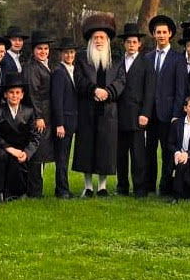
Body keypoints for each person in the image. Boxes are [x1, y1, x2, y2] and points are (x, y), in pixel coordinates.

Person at [73, 14, 124, 197]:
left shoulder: (117, 58)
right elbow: (78, 80)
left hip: (108, 111)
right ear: (91, 40)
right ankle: (87, 186)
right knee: (87, 148)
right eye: (96, 38)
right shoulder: (82, 58)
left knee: (106, 149)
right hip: (87, 109)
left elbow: (121, 81)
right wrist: (94, 90)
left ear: (108, 39)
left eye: (102, 37)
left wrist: (108, 92)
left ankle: (102, 186)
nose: (99, 41)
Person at [143, 14, 187, 197]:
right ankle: (149, 186)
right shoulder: (147, 58)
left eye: (164, 32)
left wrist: (177, 113)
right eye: (158, 32)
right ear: (153, 34)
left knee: (168, 152)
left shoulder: (178, 58)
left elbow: (181, 89)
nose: (161, 35)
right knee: (149, 151)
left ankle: (166, 186)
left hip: (169, 114)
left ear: (170, 34)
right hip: (150, 113)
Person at [113, 24, 155, 197]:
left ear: (139, 44)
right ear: (124, 44)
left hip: (138, 115)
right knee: (120, 154)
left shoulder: (146, 63)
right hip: (119, 115)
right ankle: (122, 186)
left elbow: (150, 91)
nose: (131, 45)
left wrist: (145, 113)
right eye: (128, 42)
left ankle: (140, 188)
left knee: (138, 155)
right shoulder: (117, 63)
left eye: (134, 42)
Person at [0, 74, 41, 200]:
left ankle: (21, 191)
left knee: (27, 161)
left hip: (22, 149)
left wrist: (27, 153)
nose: (14, 95)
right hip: (4, 148)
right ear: (5, 94)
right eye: (11, 92)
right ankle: (0, 192)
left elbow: (35, 137)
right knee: (0, 155)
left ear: (22, 95)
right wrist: (8, 148)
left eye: (17, 92)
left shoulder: (29, 111)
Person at [23, 32, 54, 197]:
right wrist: (38, 117)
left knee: (42, 153)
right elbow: (33, 94)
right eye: (39, 48)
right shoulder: (32, 68)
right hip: (39, 116)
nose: (43, 51)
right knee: (37, 152)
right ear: (33, 50)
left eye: (46, 48)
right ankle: (34, 191)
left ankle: (37, 189)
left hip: (47, 114)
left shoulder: (45, 65)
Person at [49, 39, 79, 198]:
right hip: (63, 122)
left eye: (72, 52)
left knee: (66, 156)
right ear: (61, 54)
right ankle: (62, 190)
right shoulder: (59, 72)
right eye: (66, 52)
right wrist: (59, 124)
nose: (69, 55)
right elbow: (57, 99)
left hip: (72, 120)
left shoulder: (74, 69)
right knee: (61, 157)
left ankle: (63, 188)